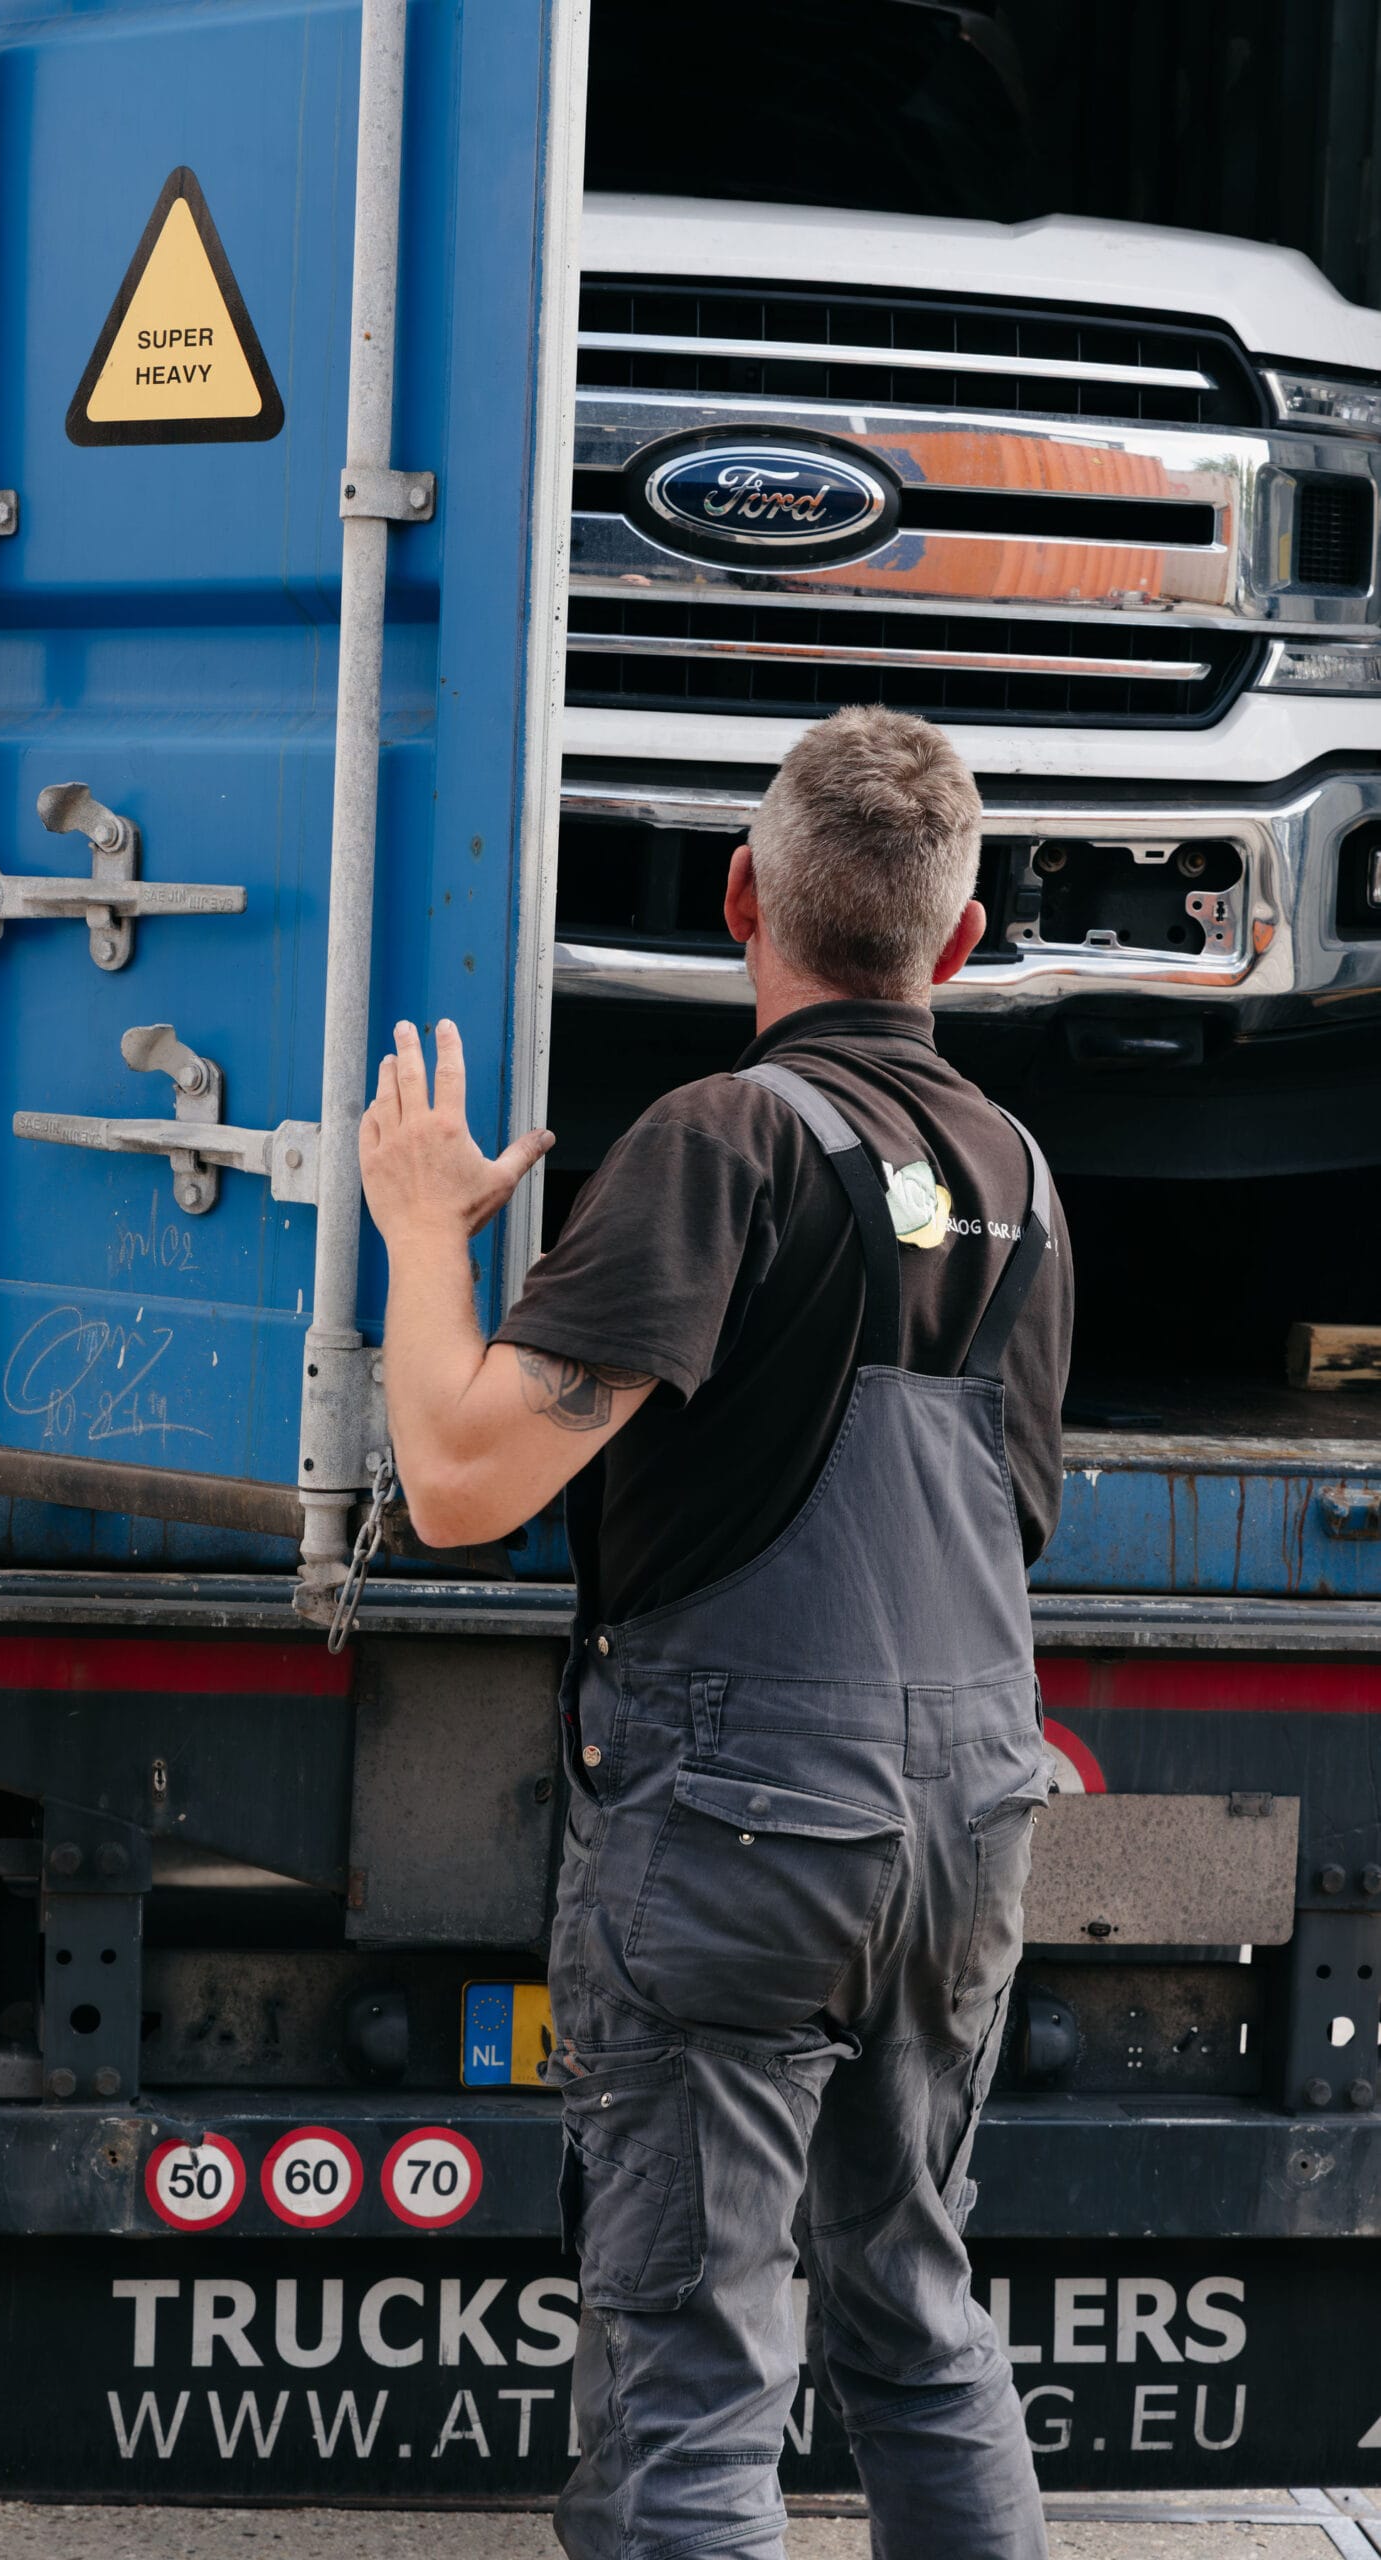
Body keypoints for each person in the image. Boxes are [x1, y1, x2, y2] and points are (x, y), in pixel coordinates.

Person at [358, 704, 1074, 2560]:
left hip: (747, 1821)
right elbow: (1005, 1511)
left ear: (739, 896)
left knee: (691, 2385)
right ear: (959, 942)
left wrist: (425, 1229)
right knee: (918, 2325)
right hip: (968, 1811)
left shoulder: (721, 1139)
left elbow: (457, 1481)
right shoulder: (1017, 1174)